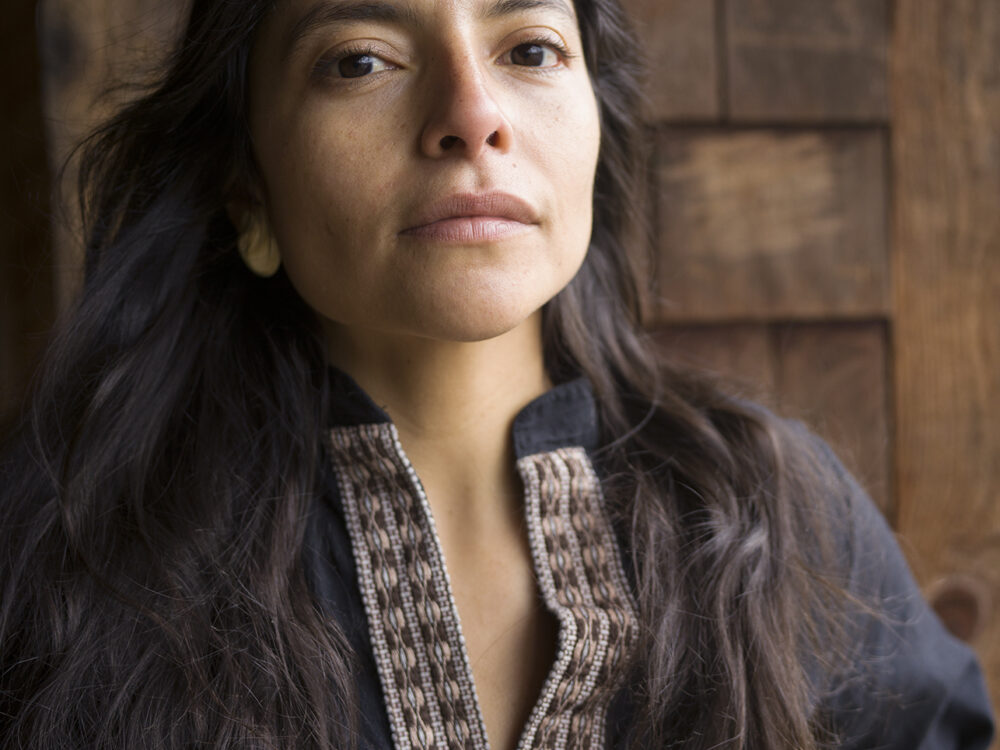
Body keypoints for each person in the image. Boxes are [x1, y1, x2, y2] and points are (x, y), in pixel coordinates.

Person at [0, 0, 994, 748]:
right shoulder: (68, 547)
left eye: (529, 50)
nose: (471, 117)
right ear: (245, 187)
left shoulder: (778, 515)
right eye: (359, 61)